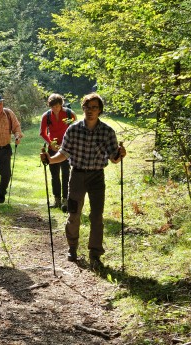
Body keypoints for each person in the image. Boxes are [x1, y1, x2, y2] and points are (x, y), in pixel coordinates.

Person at [40, 93, 126, 270]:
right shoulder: (73, 129)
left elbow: (114, 158)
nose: (91, 111)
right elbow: (63, 154)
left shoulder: (107, 131)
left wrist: (120, 154)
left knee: (97, 217)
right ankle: (72, 248)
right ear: (83, 109)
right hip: (77, 176)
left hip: (97, 177)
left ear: (100, 110)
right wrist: (49, 159)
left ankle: (95, 253)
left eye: (94, 107)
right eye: (87, 107)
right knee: (74, 214)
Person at [39, 93, 77, 212]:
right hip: (52, 147)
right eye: (52, 107)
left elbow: (76, 129)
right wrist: (51, 144)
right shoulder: (47, 116)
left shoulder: (69, 114)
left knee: (66, 173)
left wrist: (68, 144)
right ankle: (57, 200)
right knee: (54, 175)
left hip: (66, 147)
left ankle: (66, 200)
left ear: (61, 104)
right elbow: (42, 133)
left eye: (57, 106)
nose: (55, 109)